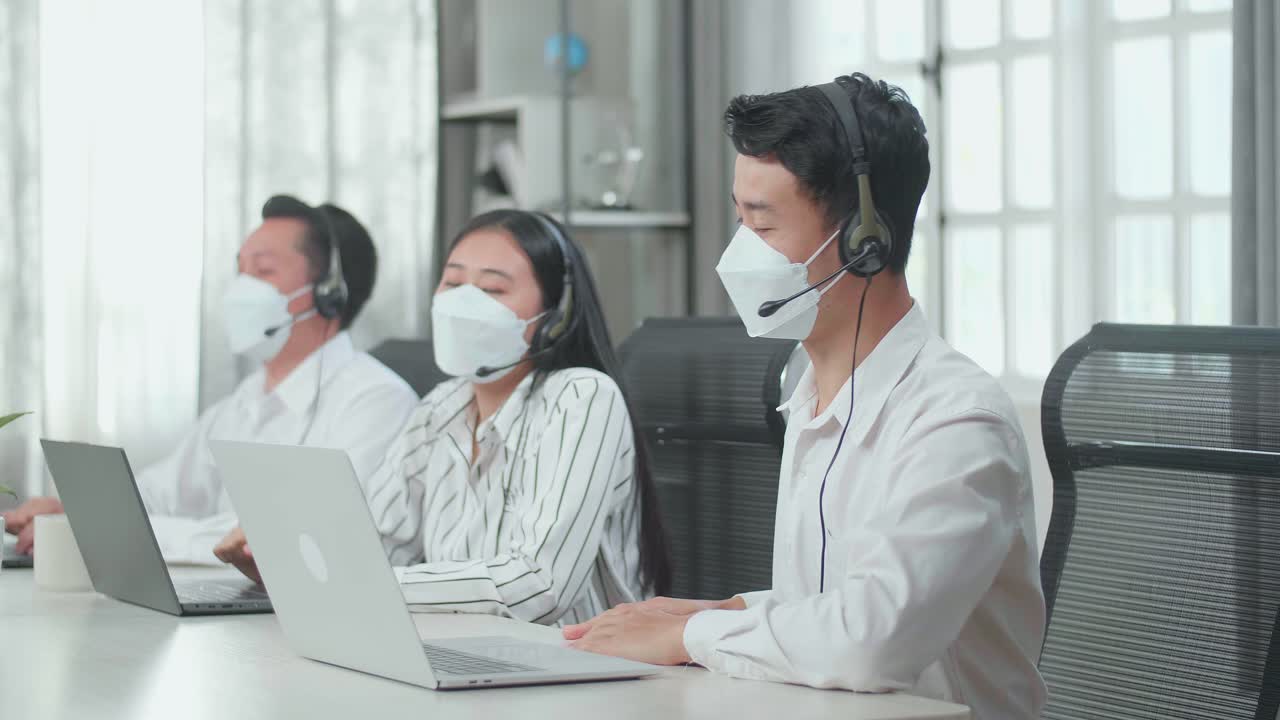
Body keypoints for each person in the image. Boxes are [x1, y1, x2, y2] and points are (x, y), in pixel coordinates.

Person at [562, 73, 1047, 718]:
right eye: (740, 219)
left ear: (862, 242)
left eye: (763, 224)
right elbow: (831, 602)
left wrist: (691, 634)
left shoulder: (956, 421)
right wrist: (724, 612)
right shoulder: (810, 389)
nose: (738, 254)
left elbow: (872, 642)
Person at [216, 208, 672, 625]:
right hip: (459, 650)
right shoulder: (440, 408)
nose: (465, 303)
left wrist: (358, 581)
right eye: (453, 284)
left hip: (580, 668)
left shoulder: (582, 398)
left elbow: (537, 586)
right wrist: (288, 566)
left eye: (493, 289)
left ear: (555, 315)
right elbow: (374, 543)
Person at [3, 195, 417, 564]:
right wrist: (74, 513)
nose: (241, 287)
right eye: (240, 270)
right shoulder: (244, 402)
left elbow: (289, 539)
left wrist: (106, 532)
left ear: (330, 293)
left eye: (263, 271)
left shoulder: (377, 402)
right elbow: (161, 494)